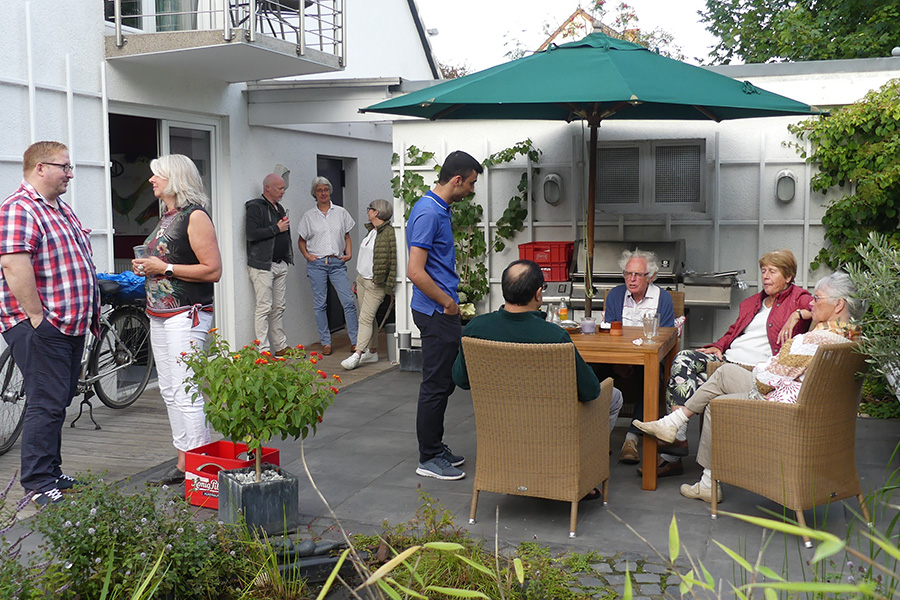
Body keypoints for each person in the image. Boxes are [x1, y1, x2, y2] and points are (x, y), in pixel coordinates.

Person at [634, 271, 862, 502]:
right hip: (801, 404)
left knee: (716, 402)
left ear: (838, 304)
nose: (811, 303)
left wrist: (763, 366)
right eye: (763, 270)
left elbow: (765, 382)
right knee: (723, 373)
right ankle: (673, 424)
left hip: (781, 408)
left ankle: (704, 478)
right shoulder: (851, 337)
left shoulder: (814, 340)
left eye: (817, 298)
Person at [452, 260, 624, 483]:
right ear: (538, 294)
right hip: (550, 426)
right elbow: (590, 391)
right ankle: (581, 467)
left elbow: (461, 379)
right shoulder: (554, 336)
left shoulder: (475, 328)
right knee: (614, 396)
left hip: (500, 421)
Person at [0, 141, 99, 506]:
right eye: (64, 166)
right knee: (45, 402)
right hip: (43, 325)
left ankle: (52, 471)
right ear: (40, 168)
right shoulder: (20, 208)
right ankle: (38, 482)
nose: (70, 174)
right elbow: (13, 264)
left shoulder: (59, 208)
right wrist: (37, 317)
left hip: (69, 323)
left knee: (58, 400)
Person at [659, 249, 813, 473]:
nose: (765, 276)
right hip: (728, 359)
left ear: (788, 276)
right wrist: (719, 346)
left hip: (752, 369)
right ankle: (678, 435)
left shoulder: (798, 298)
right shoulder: (754, 302)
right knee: (683, 360)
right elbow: (734, 332)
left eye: (772, 271)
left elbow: (821, 308)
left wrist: (797, 314)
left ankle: (672, 450)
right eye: (763, 271)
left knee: (689, 378)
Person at [133, 154, 222, 486]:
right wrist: (148, 266)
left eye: (157, 175)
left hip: (187, 313)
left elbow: (213, 270)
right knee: (170, 390)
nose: (151, 180)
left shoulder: (195, 216)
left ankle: (200, 471)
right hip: (160, 314)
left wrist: (165, 268)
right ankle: (184, 462)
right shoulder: (168, 216)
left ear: (175, 179)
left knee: (187, 391)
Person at [407, 150, 483, 481]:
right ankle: (428, 457)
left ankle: (436, 448)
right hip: (436, 310)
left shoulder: (439, 208)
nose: (471, 190)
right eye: (471, 184)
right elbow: (415, 271)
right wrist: (448, 303)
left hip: (439, 308)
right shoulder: (428, 213)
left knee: (443, 383)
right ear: (456, 179)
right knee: (435, 385)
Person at [600, 249, 675, 470]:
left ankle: (631, 439)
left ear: (650, 277)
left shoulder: (663, 298)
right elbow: (610, 333)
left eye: (638, 275)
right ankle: (596, 435)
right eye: (628, 274)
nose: (631, 279)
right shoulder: (615, 295)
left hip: (648, 360)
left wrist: (634, 360)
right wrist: (619, 362)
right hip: (616, 359)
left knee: (650, 375)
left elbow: (664, 337)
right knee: (590, 369)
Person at [297, 176, 358, 356]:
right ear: (314, 193)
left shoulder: (341, 212)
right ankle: (326, 342)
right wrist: (308, 256)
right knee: (320, 305)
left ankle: (355, 341)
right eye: (319, 190)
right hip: (317, 265)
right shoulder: (308, 216)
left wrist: (348, 253)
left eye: (325, 189)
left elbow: (346, 236)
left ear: (330, 191)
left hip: (337, 263)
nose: (323, 193)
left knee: (348, 301)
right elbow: (301, 241)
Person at [341, 199, 396, 370]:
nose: (367, 212)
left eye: (369, 209)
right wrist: (357, 279)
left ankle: (357, 354)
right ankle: (372, 351)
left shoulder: (389, 233)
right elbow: (365, 257)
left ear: (376, 212)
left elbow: (393, 261)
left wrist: (389, 286)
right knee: (368, 318)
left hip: (375, 283)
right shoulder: (371, 231)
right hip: (362, 280)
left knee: (365, 319)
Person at [245, 173, 292, 355]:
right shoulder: (255, 207)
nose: (283, 191)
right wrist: (276, 228)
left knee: (279, 307)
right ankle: (263, 350)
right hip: (262, 265)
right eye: (280, 188)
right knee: (264, 307)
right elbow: (251, 234)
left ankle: (280, 346)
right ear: (268, 188)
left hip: (280, 264)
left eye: (283, 188)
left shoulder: (279, 208)